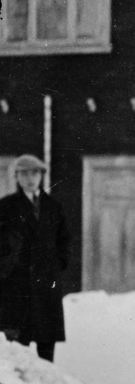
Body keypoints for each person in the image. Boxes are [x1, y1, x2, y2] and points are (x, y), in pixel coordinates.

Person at [0, 155, 70, 362]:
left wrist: (57, 263)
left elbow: (64, 239)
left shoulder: (53, 207)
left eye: (35, 173)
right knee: (15, 345)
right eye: (24, 173)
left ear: (41, 176)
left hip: (45, 284)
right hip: (16, 286)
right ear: (16, 177)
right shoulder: (6, 207)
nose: (30, 178)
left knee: (46, 342)